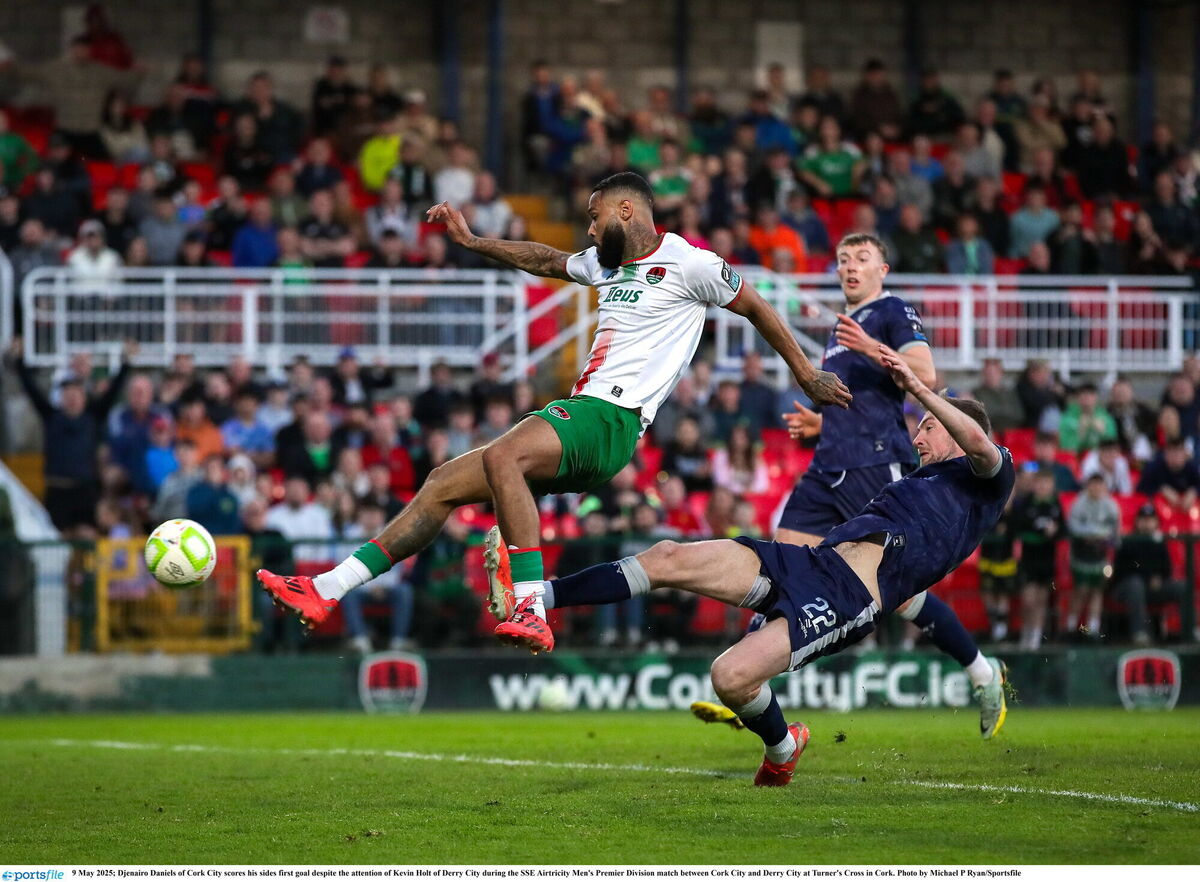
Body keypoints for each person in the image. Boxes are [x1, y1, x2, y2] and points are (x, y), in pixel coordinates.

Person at [258, 172, 851, 650]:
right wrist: (472, 242)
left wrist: (805, 372)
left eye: (594, 218)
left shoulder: (691, 263)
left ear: (625, 211)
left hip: (612, 420)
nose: (588, 232)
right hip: (582, 415)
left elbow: (757, 307)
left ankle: (531, 605)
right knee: (441, 484)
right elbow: (544, 259)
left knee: (504, 456)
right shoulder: (607, 264)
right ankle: (327, 589)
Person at [497, 351, 1012, 784]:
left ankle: (784, 749)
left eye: (926, 428)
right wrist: (828, 427)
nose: (917, 439)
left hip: (849, 600)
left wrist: (920, 389)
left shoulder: (986, 480)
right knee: (668, 556)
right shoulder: (917, 481)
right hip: (813, 562)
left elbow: (978, 444)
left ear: (953, 426)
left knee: (729, 676)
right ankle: (537, 596)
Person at [733, 232, 999, 734]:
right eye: (842, 259)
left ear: (883, 267)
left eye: (862, 258)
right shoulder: (842, 329)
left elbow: (924, 372)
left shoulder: (892, 310)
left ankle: (982, 672)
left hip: (874, 465)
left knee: (893, 594)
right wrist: (821, 424)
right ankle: (748, 680)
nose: (850, 266)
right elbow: (860, 400)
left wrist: (873, 346)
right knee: (783, 565)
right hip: (829, 466)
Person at [1112, 505, 1185, 645]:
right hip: (1125, 590)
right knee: (1136, 584)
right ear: (1137, 521)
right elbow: (1122, 570)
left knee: (1181, 587)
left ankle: (1188, 631)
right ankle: (1139, 633)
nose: (1147, 523)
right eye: (1143, 520)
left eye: (1150, 520)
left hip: (1152, 589)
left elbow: (1166, 569)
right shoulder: (1128, 541)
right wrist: (1148, 578)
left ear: (1156, 522)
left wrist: (1159, 578)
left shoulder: (1158, 542)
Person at [1009, 467, 1063, 650]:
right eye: (1040, 483)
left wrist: (1054, 532)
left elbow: (1064, 529)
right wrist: (1038, 531)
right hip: (1029, 558)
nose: (1043, 487)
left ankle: (1035, 638)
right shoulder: (1025, 504)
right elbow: (1017, 526)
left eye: (1047, 484)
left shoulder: (1055, 505)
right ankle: (1026, 631)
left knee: (1041, 598)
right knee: (1028, 599)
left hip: (1047, 558)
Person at [1066, 475, 1120, 640]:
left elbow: (1115, 531)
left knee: (1097, 591)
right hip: (1081, 555)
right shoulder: (1079, 504)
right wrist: (1095, 533)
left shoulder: (1110, 506)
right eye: (1093, 485)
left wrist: (1100, 535)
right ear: (1088, 486)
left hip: (1100, 556)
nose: (1096, 489)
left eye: (1100, 485)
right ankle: (1070, 628)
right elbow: (1073, 527)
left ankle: (1093, 629)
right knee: (1080, 590)